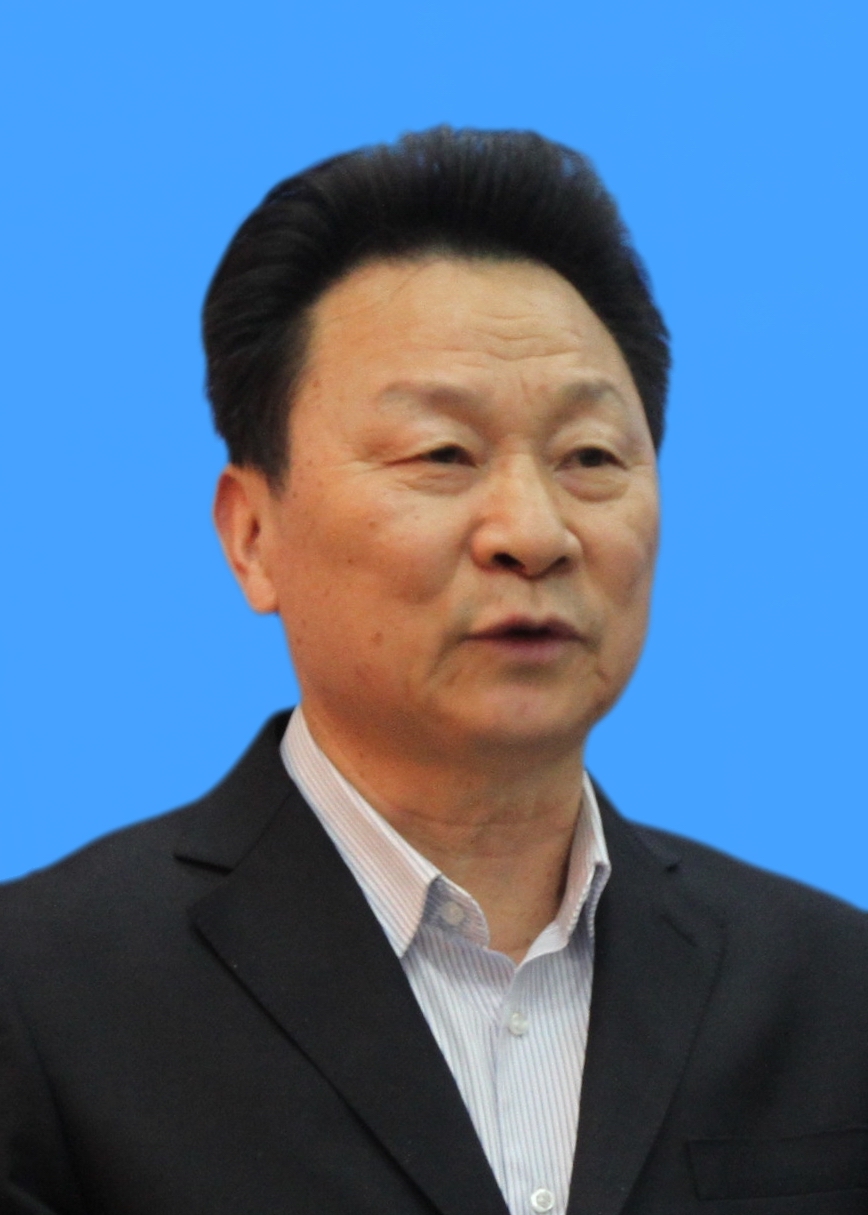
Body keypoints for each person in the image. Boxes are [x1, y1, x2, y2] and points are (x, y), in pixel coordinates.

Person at [1, 128, 866, 1215]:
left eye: (590, 457)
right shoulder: (41, 995)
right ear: (253, 533)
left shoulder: (834, 993)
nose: (533, 533)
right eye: (442, 454)